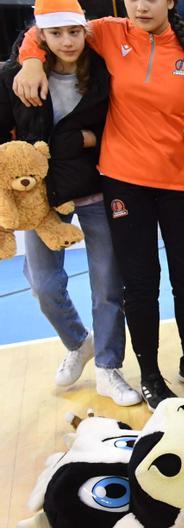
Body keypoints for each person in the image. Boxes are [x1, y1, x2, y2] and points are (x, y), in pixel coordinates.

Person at [14, 0, 184, 409]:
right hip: (124, 180)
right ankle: (150, 374)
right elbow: (50, 26)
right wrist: (30, 61)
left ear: (170, 2)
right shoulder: (108, 32)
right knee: (139, 282)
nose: (141, 5)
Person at [0, 0, 139, 406]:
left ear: (85, 30)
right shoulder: (15, 75)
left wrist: (84, 139)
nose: (67, 41)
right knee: (43, 285)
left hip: (95, 185)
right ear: (40, 35)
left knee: (108, 284)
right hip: (43, 199)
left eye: (74, 31)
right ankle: (79, 342)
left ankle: (108, 367)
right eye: (56, 33)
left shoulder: (105, 71)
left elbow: (122, 125)